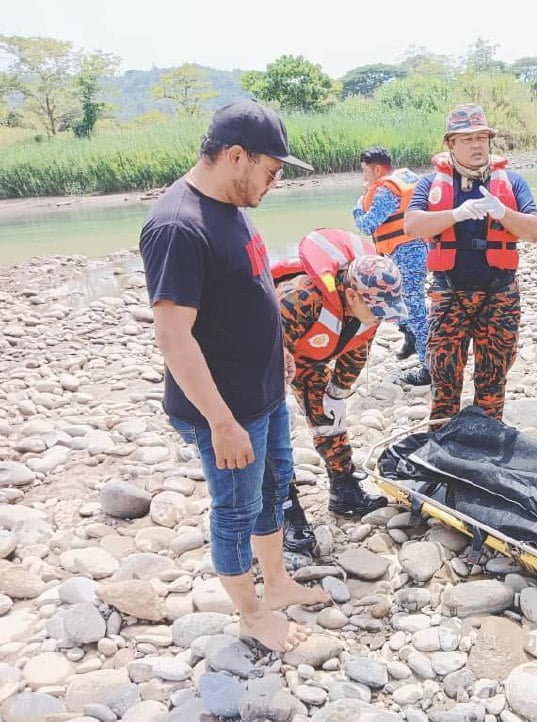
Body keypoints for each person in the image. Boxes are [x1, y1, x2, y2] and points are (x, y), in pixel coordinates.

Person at [139, 99, 328, 653]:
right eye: (270, 170)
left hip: (264, 391)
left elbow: (248, 289)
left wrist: (279, 353)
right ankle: (250, 614)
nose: (273, 183)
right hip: (224, 409)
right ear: (237, 156)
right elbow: (174, 337)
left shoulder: (233, 201)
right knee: (236, 508)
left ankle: (278, 583)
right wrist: (221, 422)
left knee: (273, 489)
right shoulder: (178, 226)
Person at [404, 104, 537, 422]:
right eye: (467, 139)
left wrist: (502, 212)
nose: (477, 145)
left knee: (494, 379)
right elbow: (412, 226)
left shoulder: (513, 182)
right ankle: (440, 444)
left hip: (500, 294)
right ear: (450, 144)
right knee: (444, 378)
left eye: (482, 137)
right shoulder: (430, 185)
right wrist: (455, 214)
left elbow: (534, 231)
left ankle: (487, 441)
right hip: (449, 293)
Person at [272, 228, 405, 553]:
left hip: (311, 361)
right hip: (270, 358)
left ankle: (344, 491)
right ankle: (285, 510)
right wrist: (272, 397)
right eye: (377, 311)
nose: (381, 319)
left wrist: (337, 391)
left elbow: (356, 351)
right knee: (271, 435)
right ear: (352, 296)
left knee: (330, 423)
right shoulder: (299, 299)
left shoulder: (370, 312)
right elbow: (263, 349)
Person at [352, 147, 430, 386]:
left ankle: (429, 367)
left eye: (365, 171)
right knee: (404, 303)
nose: (364, 176)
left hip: (407, 253)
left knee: (415, 308)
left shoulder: (386, 191)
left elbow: (367, 225)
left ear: (377, 169)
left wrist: (357, 207)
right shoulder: (405, 178)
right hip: (416, 248)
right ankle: (412, 342)